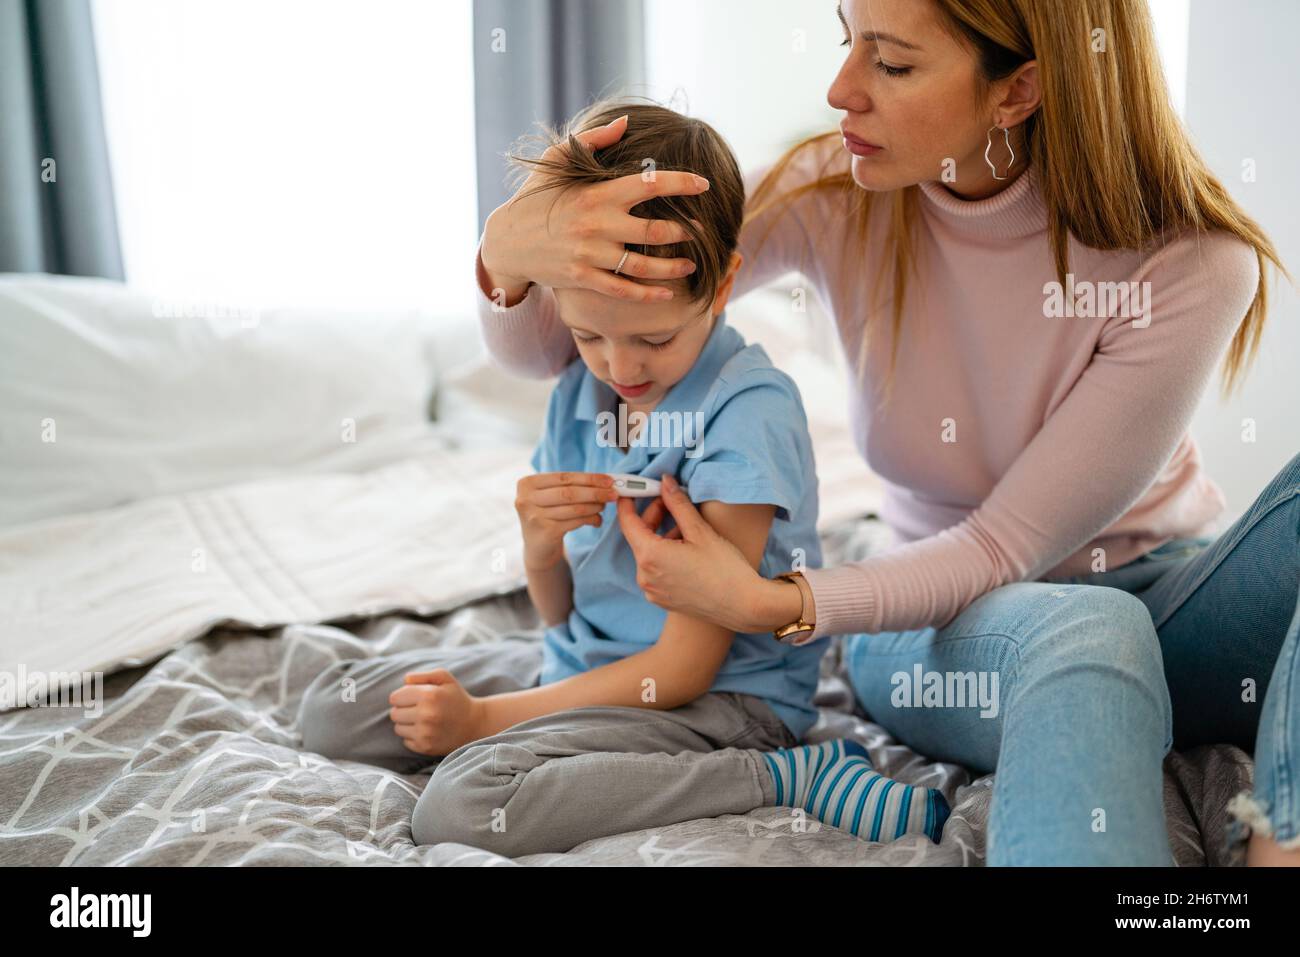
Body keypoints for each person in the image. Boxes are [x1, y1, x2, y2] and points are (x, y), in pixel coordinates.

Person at [473, 0, 1295, 866]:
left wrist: (772, 604)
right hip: (931, 623)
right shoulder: (834, 190)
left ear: (1019, 90)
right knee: (1089, 628)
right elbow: (561, 343)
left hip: (1168, 599)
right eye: (846, 41)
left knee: (1114, 615)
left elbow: (1002, 542)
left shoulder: (1196, 262)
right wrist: (510, 249)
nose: (839, 89)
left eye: (891, 63)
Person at [300, 101, 948, 857]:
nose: (622, 367)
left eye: (655, 336)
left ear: (726, 281)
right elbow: (559, 613)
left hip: (716, 700)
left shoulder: (746, 414)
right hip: (589, 658)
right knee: (334, 706)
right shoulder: (582, 388)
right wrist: (539, 547)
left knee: (467, 806)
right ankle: (534, 721)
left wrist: (483, 720)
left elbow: (682, 667)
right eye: (588, 334)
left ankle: (783, 776)